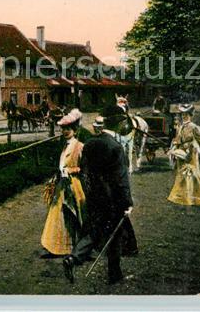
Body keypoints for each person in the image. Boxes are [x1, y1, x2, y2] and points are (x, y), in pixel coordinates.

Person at [63, 107, 136, 285]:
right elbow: (121, 180)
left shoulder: (90, 144)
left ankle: (73, 258)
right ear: (119, 124)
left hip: (94, 196)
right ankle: (114, 274)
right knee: (115, 235)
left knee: (94, 231)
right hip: (113, 200)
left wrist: (90, 194)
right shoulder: (116, 147)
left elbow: (85, 172)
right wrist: (127, 202)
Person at [40, 108, 85, 257]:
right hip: (62, 185)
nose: (66, 131)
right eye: (64, 129)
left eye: (69, 129)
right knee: (58, 214)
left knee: (75, 214)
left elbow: (83, 167)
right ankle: (58, 246)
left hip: (73, 185)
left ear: (75, 130)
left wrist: (71, 171)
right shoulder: (64, 146)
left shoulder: (79, 146)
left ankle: (77, 246)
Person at [167, 103, 200, 206]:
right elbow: (178, 139)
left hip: (191, 153)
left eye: (186, 114)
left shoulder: (194, 127)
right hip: (181, 152)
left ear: (190, 115)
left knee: (191, 173)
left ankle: (194, 197)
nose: (184, 116)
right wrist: (175, 147)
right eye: (183, 114)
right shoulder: (181, 127)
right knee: (181, 173)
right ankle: (182, 197)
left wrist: (193, 145)